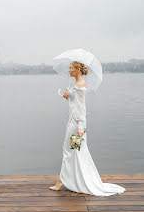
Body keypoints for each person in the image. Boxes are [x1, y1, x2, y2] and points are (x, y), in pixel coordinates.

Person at [49, 61, 126, 196]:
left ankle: (61, 181)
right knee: (73, 151)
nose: (69, 70)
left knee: (68, 150)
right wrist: (67, 97)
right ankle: (70, 179)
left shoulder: (80, 85)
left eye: (71, 68)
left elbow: (82, 108)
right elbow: (74, 104)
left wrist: (80, 126)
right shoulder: (76, 84)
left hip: (76, 122)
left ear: (78, 70)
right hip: (72, 119)